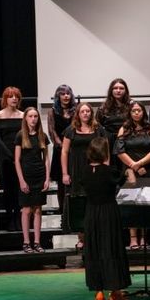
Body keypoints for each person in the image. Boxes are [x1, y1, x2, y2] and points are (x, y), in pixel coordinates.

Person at [82, 135, 131, 300]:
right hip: (108, 213)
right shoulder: (109, 171)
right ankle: (115, 292)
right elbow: (123, 180)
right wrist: (128, 171)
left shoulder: (85, 171)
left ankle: (99, 293)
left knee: (95, 250)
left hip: (91, 214)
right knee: (111, 248)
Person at [113, 102, 150, 249]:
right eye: (134, 111)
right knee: (131, 204)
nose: (136, 113)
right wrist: (133, 165)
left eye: (139, 110)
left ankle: (144, 237)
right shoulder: (124, 129)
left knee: (145, 204)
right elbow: (120, 151)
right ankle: (133, 238)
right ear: (130, 113)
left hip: (148, 169)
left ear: (143, 112)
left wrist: (139, 163)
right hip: (129, 171)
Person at [61, 101, 100, 251]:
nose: (85, 114)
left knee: (93, 203)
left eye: (88, 111)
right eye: (82, 111)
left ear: (91, 113)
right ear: (78, 114)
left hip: (93, 170)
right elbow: (64, 152)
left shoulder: (98, 129)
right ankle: (81, 238)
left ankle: (93, 238)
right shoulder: (71, 130)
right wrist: (65, 173)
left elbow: (104, 150)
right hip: (76, 170)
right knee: (79, 206)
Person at [14, 106, 50, 254]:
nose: (33, 119)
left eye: (35, 116)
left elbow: (46, 159)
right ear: (25, 118)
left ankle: (37, 242)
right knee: (27, 210)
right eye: (30, 116)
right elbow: (17, 160)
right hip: (26, 175)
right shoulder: (20, 136)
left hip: (39, 175)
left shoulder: (42, 135)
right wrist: (21, 180)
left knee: (38, 209)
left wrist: (47, 178)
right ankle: (26, 242)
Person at [0, 86, 24, 230]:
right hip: (5, 156)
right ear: (5, 99)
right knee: (8, 187)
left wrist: (18, 153)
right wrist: (9, 153)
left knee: (18, 187)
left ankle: (18, 217)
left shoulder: (22, 115)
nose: (14, 99)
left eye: (16, 96)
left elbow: (24, 136)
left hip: (19, 155)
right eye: (11, 96)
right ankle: (9, 218)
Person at [46, 84, 77, 210]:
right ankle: (64, 214)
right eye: (63, 94)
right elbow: (52, 131)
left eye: (68, 94)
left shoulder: (76, 111)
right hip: (60, 151)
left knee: (75, 180)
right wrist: (62, 145)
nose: (66, 96)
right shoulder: (52, 112)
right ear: (58, 96)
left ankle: (75, 213)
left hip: (74, 149)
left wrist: (71, 144)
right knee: (61, 184)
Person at [96, 78, 131, 148]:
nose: (118, 91)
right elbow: (97, 126)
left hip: (128, 140)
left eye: (121, 88)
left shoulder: (132, 106)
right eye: (115, 88)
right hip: (109, 141)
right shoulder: (103, 108)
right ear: (111, 90)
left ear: (126, 90)